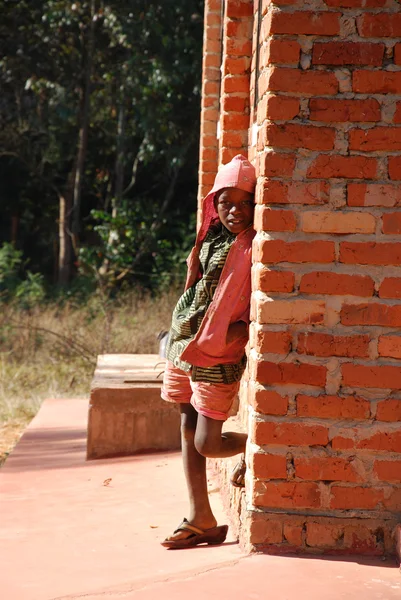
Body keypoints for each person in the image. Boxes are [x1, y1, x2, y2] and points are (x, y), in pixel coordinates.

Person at [160, 154, 256, 549]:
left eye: (243, 202)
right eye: (225, 201)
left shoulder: (254, 244)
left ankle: (256, 444)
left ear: (257, 203)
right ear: (213, 203)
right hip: (185, 343)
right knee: (186, 424)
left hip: (218, 353)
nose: (234, 210)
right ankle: (201, 517)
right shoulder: (213, 234)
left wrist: (239, 330)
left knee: (207, 442)